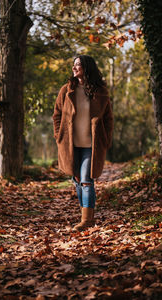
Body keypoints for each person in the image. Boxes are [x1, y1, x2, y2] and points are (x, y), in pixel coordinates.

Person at [53, 55, 113, 231]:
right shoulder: (66, 90)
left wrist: (105, 138)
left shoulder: (100, 91)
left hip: (91, 145)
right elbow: (57, 114)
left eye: (78, 64)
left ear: (87, 68)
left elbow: (109, 118)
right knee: (78, 180)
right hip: (70, 144)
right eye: (74, 64)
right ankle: (86, 216)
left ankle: (87, 221)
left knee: (86, 180)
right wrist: (59, 136)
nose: (74, 67)